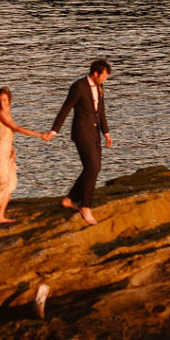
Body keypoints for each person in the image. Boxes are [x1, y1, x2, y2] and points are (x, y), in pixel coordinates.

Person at [47, 59, 113, 226]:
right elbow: (66, 108)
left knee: (93, 169)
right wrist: (54, 130)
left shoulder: (100, 86)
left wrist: (106, 132)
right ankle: (85, 206)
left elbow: (101, 111)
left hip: (96, 133)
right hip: (82, 134)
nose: (105, 79)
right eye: (104, 76)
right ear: (96, 73)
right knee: (93, 168)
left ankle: (70, 199)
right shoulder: (79, 87)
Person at [0, 87, 49, 230]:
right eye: (0, 100)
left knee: (11, 183)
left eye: (5, 100)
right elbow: (16, 128)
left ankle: (0, 216)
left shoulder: (7, 112)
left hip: (7, 151)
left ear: (9, 100)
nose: (2, 103)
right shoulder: (0, 113)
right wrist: (40, 134)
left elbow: (6, 133)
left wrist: (12, 147)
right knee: (2, 184)